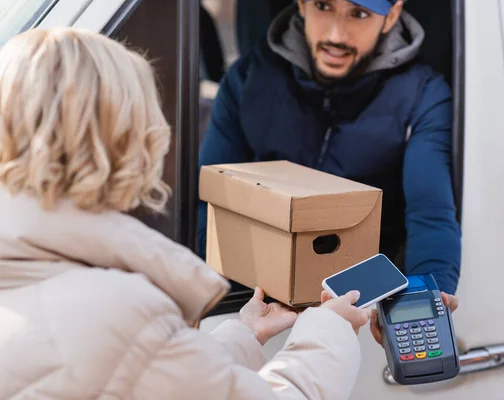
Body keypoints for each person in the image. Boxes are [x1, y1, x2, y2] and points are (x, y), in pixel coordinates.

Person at [0, 28, 372, 399]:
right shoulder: (122, 313)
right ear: (127, 140)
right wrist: (328, 329)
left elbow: (151, 374)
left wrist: (243, 335)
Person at [197, 0, 461, 312]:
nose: (337, 35)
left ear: (391, 15)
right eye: (323, 5)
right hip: (256, 304)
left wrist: (421, 304)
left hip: (359, 304)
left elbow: (429, 214)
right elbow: (209, 204)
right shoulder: (248, 79)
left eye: (359, 14)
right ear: (302, 4)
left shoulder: (422, 95)